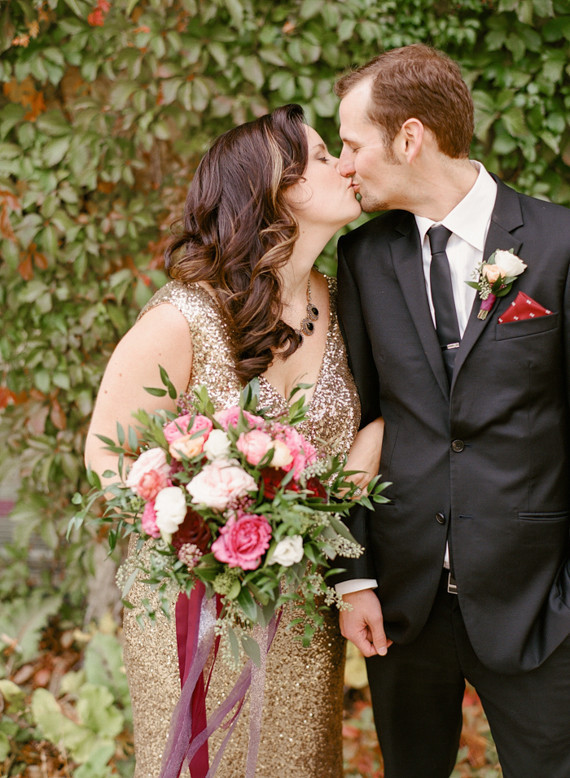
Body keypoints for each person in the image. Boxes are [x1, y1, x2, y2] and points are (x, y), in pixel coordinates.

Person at [85, 104, 383, 778]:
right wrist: (191, 523)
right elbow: (105, 452)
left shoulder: (349, 302)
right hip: (196, 609)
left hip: (304, 608)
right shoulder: (185, 317)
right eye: (322, 155)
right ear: (276, 189)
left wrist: (372, 447)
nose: (344, 164)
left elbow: (398, 403)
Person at [333, 44, 570, 778]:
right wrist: (354, 576)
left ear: (409, 138)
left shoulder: (560, 244)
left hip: (540, 605)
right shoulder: (363, 257)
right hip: (403, 609)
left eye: (352, 144)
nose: (342, 164)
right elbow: (357, 422)